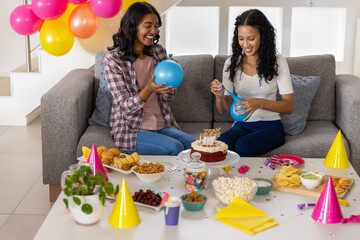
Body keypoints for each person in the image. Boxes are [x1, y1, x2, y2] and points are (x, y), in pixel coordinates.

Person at [104, 2, 195, 155]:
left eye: (156, 26)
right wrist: (149, 89)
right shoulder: (114, 60)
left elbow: (168, 98)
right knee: (175, 148)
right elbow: (125, 107)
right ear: (133, 27)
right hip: (132, 128)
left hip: (162, 123)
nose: (154, 31)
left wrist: (171, 83)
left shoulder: (158, 52)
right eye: (148, 26)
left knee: (195, 146)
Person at [211, 9, 294, 157]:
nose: (245, 44)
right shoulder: (231, 63)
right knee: (222, 144)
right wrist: (219, 96)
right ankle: (225, 180)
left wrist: (259, 103)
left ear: (263, 36)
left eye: (251, 38)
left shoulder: (278, 62)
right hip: (242, 125)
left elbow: (289, 106)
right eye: (241, 38)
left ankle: (247, 180)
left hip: (271, 126)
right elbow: (223, 110)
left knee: (244, 145)